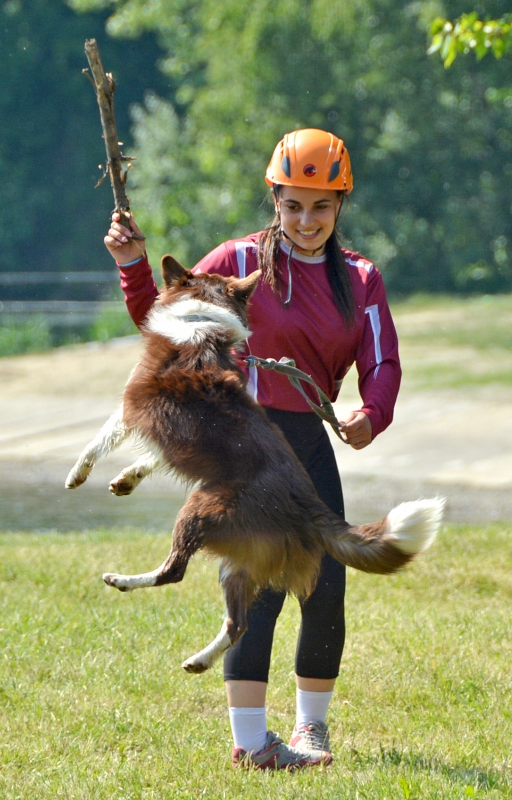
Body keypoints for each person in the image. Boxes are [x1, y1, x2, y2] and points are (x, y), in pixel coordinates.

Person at [103, 128, 402, 770]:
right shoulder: (234, 261)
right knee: (252, 581)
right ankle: (250, 742)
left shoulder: (360, 277)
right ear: (274, 197)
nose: (306, 219)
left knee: (324, 583)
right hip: (243, 438)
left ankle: (310, 733)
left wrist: (370, 414)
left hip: (307, 442)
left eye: (321, 205)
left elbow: (382, 359)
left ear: (341, 204)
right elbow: (163, 319)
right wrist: (133, 264)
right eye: (293, 203)